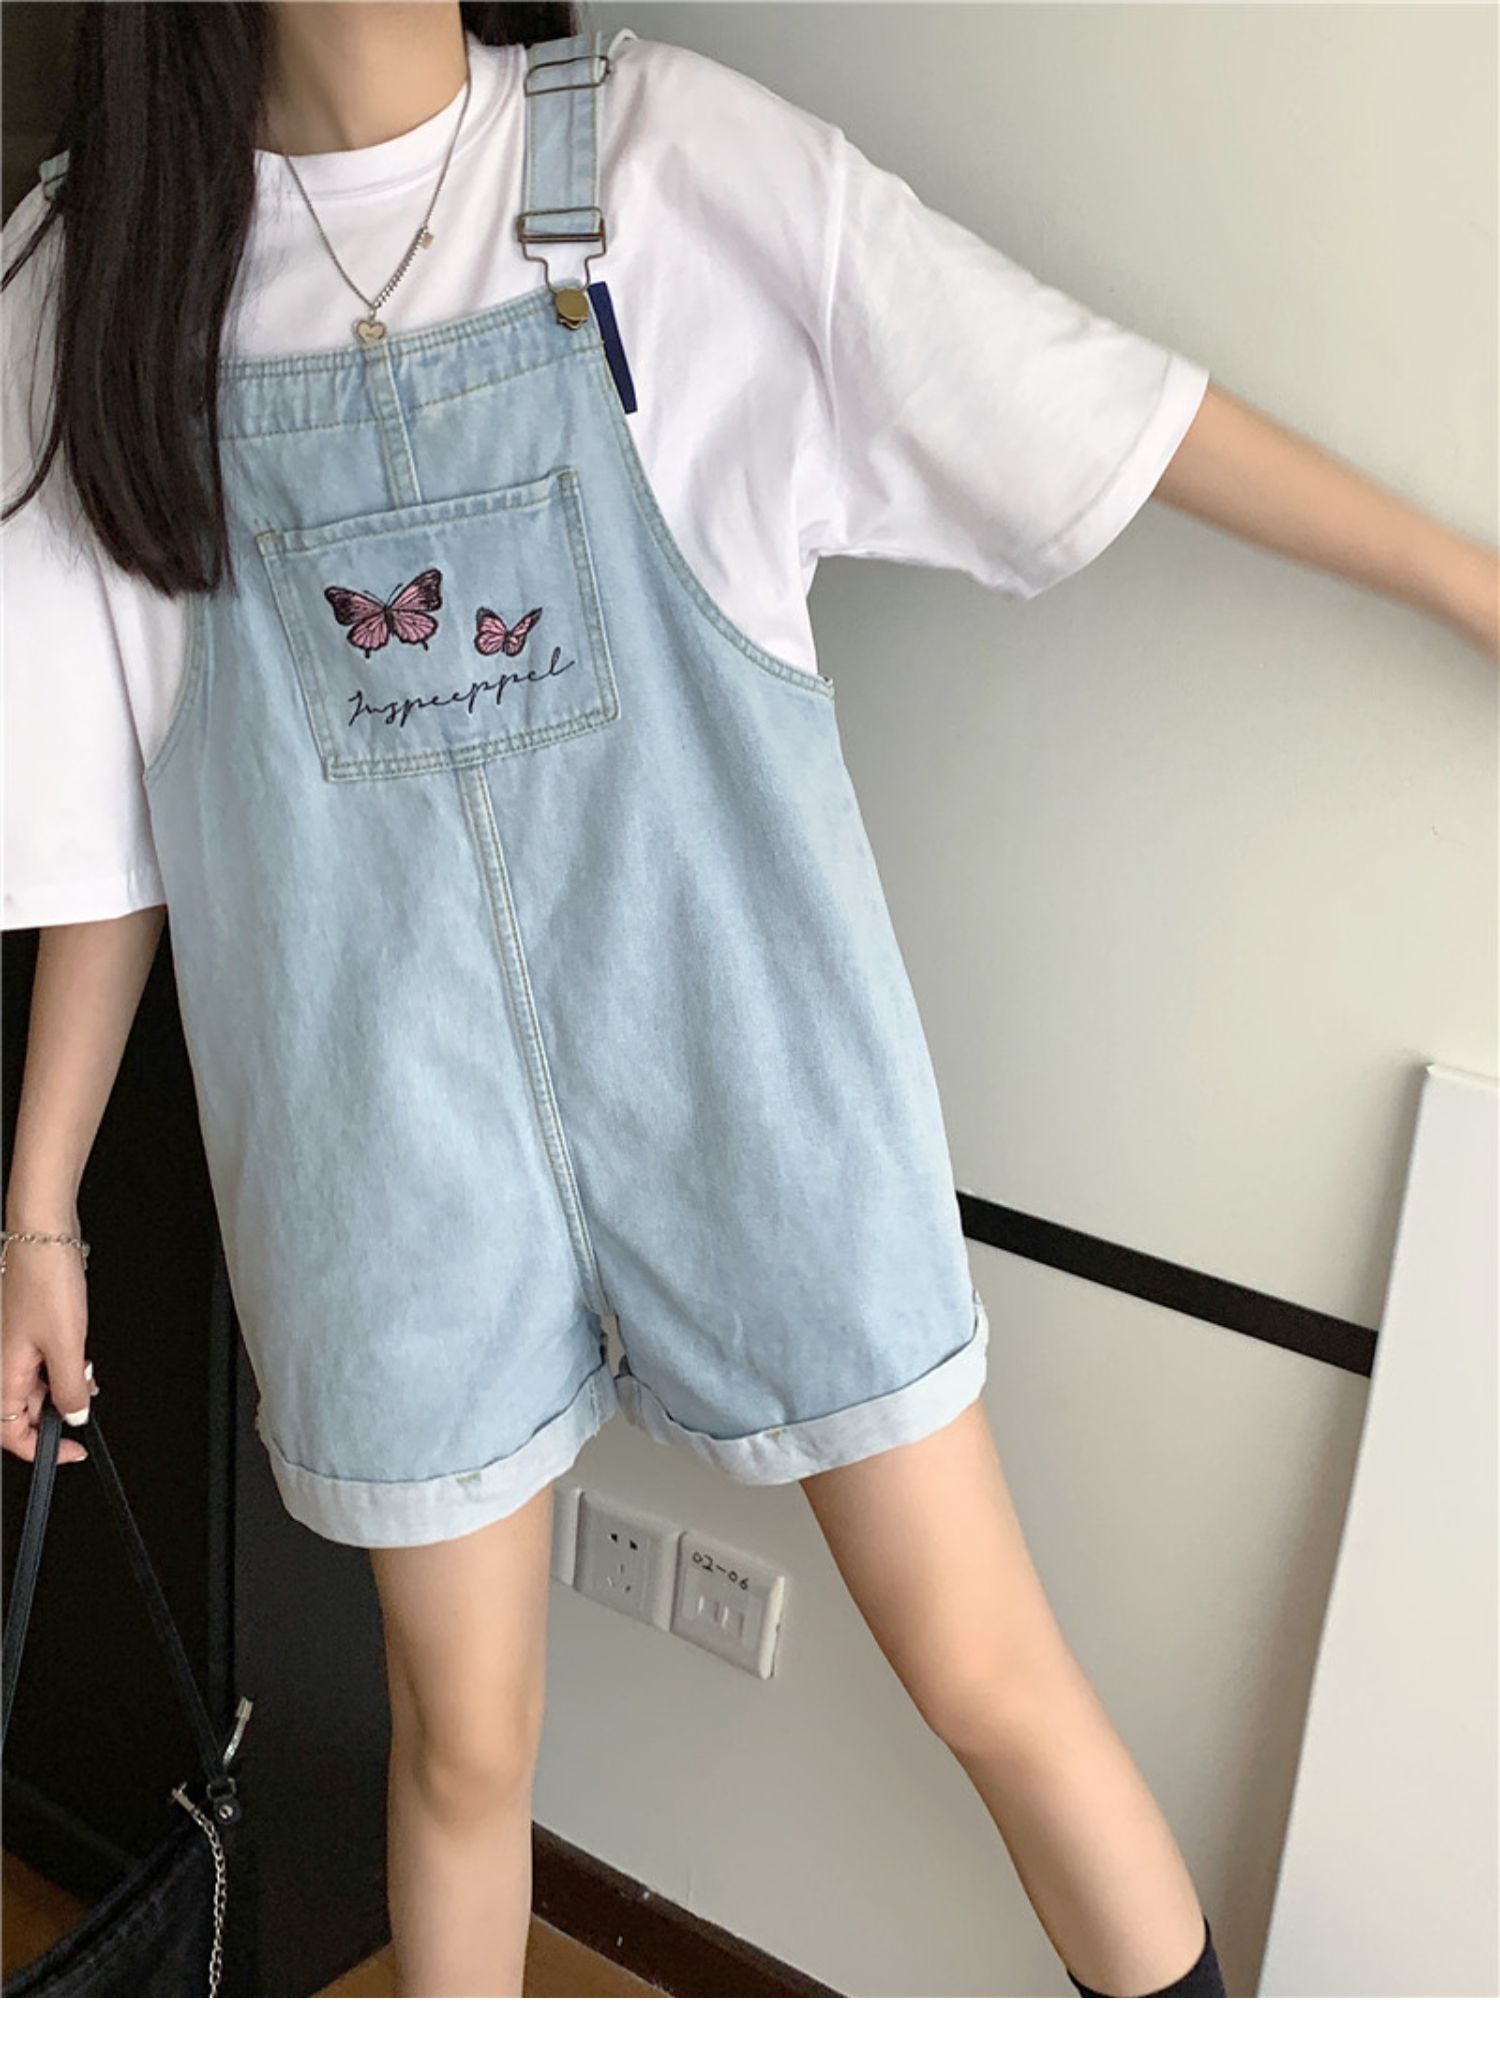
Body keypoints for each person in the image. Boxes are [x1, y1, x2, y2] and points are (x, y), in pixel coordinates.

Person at [1, 1, 1493, 2004]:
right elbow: (108, 805)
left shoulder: (664, 166)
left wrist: (1468, 584)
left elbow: (1077, 397)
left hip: (749, 1063)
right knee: (461, 1753)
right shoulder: (100, 271)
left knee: (988, 1673)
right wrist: (39, 1210)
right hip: (380, 1143)